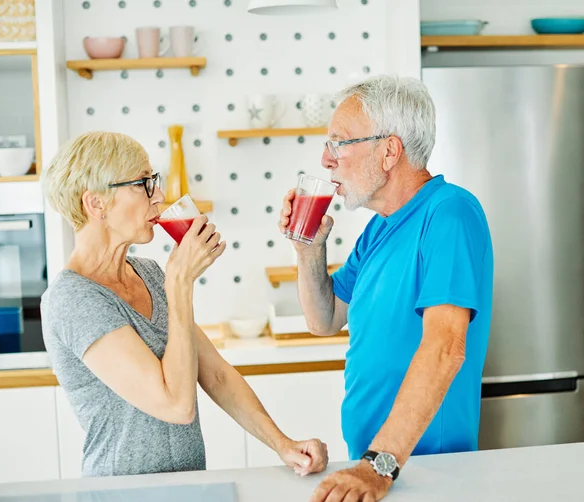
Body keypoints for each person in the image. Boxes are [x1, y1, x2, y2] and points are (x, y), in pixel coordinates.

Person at [41, 131, 328, 477]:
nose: (159, 196)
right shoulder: (72, 299)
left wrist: (282, 444)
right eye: (143, 183)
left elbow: (217, 375)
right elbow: (175, 404)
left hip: (189, 485)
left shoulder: (147, 273)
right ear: (96, 204)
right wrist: (180, 283)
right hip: (121, 493)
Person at [279, 75, 493, 501]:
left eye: (339, 142)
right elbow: (325, 319)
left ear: (389, 150)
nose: (326, 158)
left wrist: (381, 465)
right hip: (375, 465)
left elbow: (445, 347)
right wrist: (308, 250)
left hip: (427, 470)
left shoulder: (449, 213)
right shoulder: (379, 229)